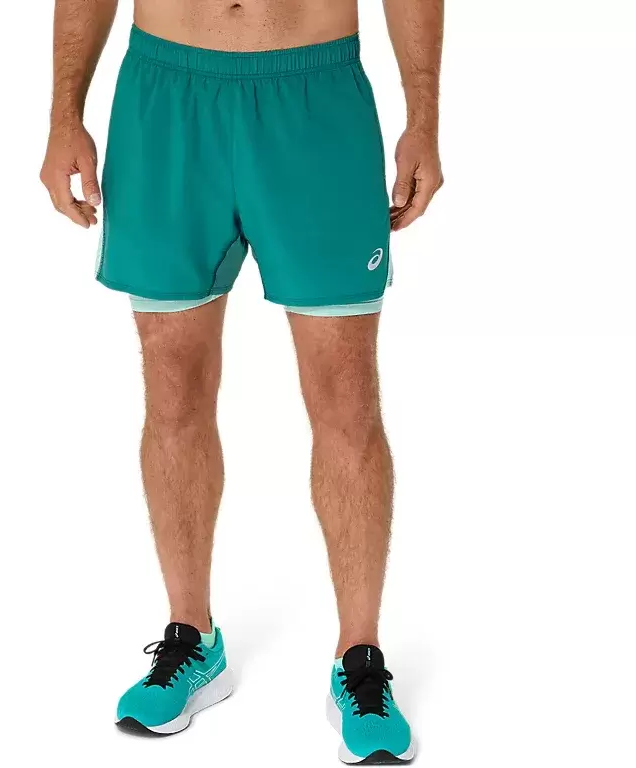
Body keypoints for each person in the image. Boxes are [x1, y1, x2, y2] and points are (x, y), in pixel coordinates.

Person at [40, 0, 442, 761]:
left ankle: (360, 660)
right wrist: (66, 114)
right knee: (172, 387)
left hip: (315, 96)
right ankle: (191, 637)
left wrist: (423, 117)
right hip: (166, 93)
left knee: (346, 397)